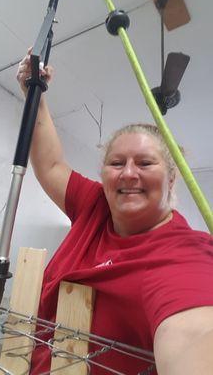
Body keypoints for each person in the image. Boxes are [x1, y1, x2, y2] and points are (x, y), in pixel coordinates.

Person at [17, 49, 213, 375]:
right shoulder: (96, 206)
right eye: (116, 163)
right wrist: (34, 94)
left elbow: (196, 331)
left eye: (145, 163)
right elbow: (50, 165)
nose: (128, 174)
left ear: (172, 177)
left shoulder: (186, 252)